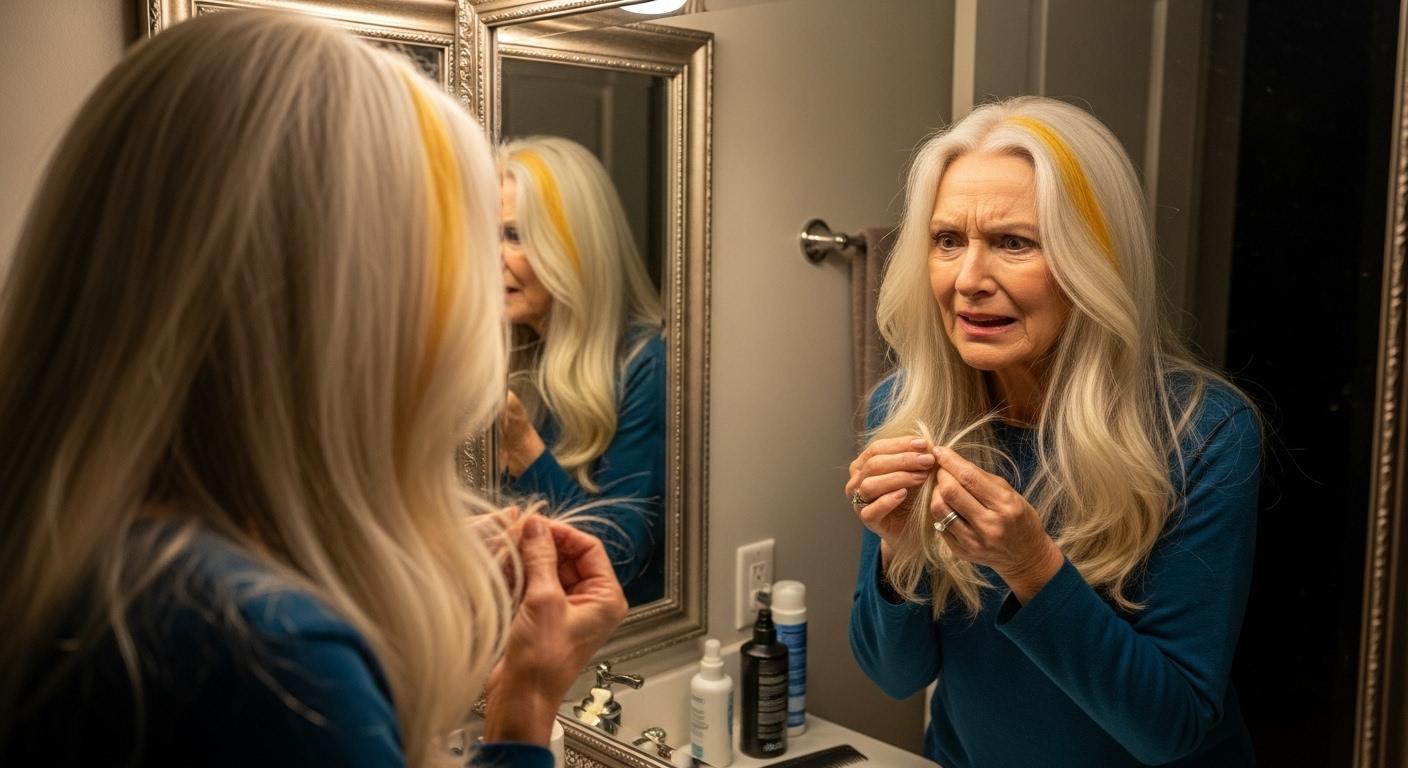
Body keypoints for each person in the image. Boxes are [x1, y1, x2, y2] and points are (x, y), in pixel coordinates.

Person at [0, 11, 626, 767]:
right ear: (352, 315)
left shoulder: (84, 554)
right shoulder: (268, 658)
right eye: (460, 260)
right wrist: (523, 718)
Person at [846, 96, 1261, 767]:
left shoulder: (1204, 434)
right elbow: (895, 678)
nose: (969, 280)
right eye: (948, 240)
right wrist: (899, 554)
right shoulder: (906, 406)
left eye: (1013, 242)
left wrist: (1031, 567)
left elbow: (1171, 728)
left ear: (1091, 262)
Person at [497, 136, 668, 606]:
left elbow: (613, 562)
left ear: (572, 249)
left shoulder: (646, 365)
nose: (492, 256)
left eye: (513, 235)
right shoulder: (514, 351)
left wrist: (519, 443)